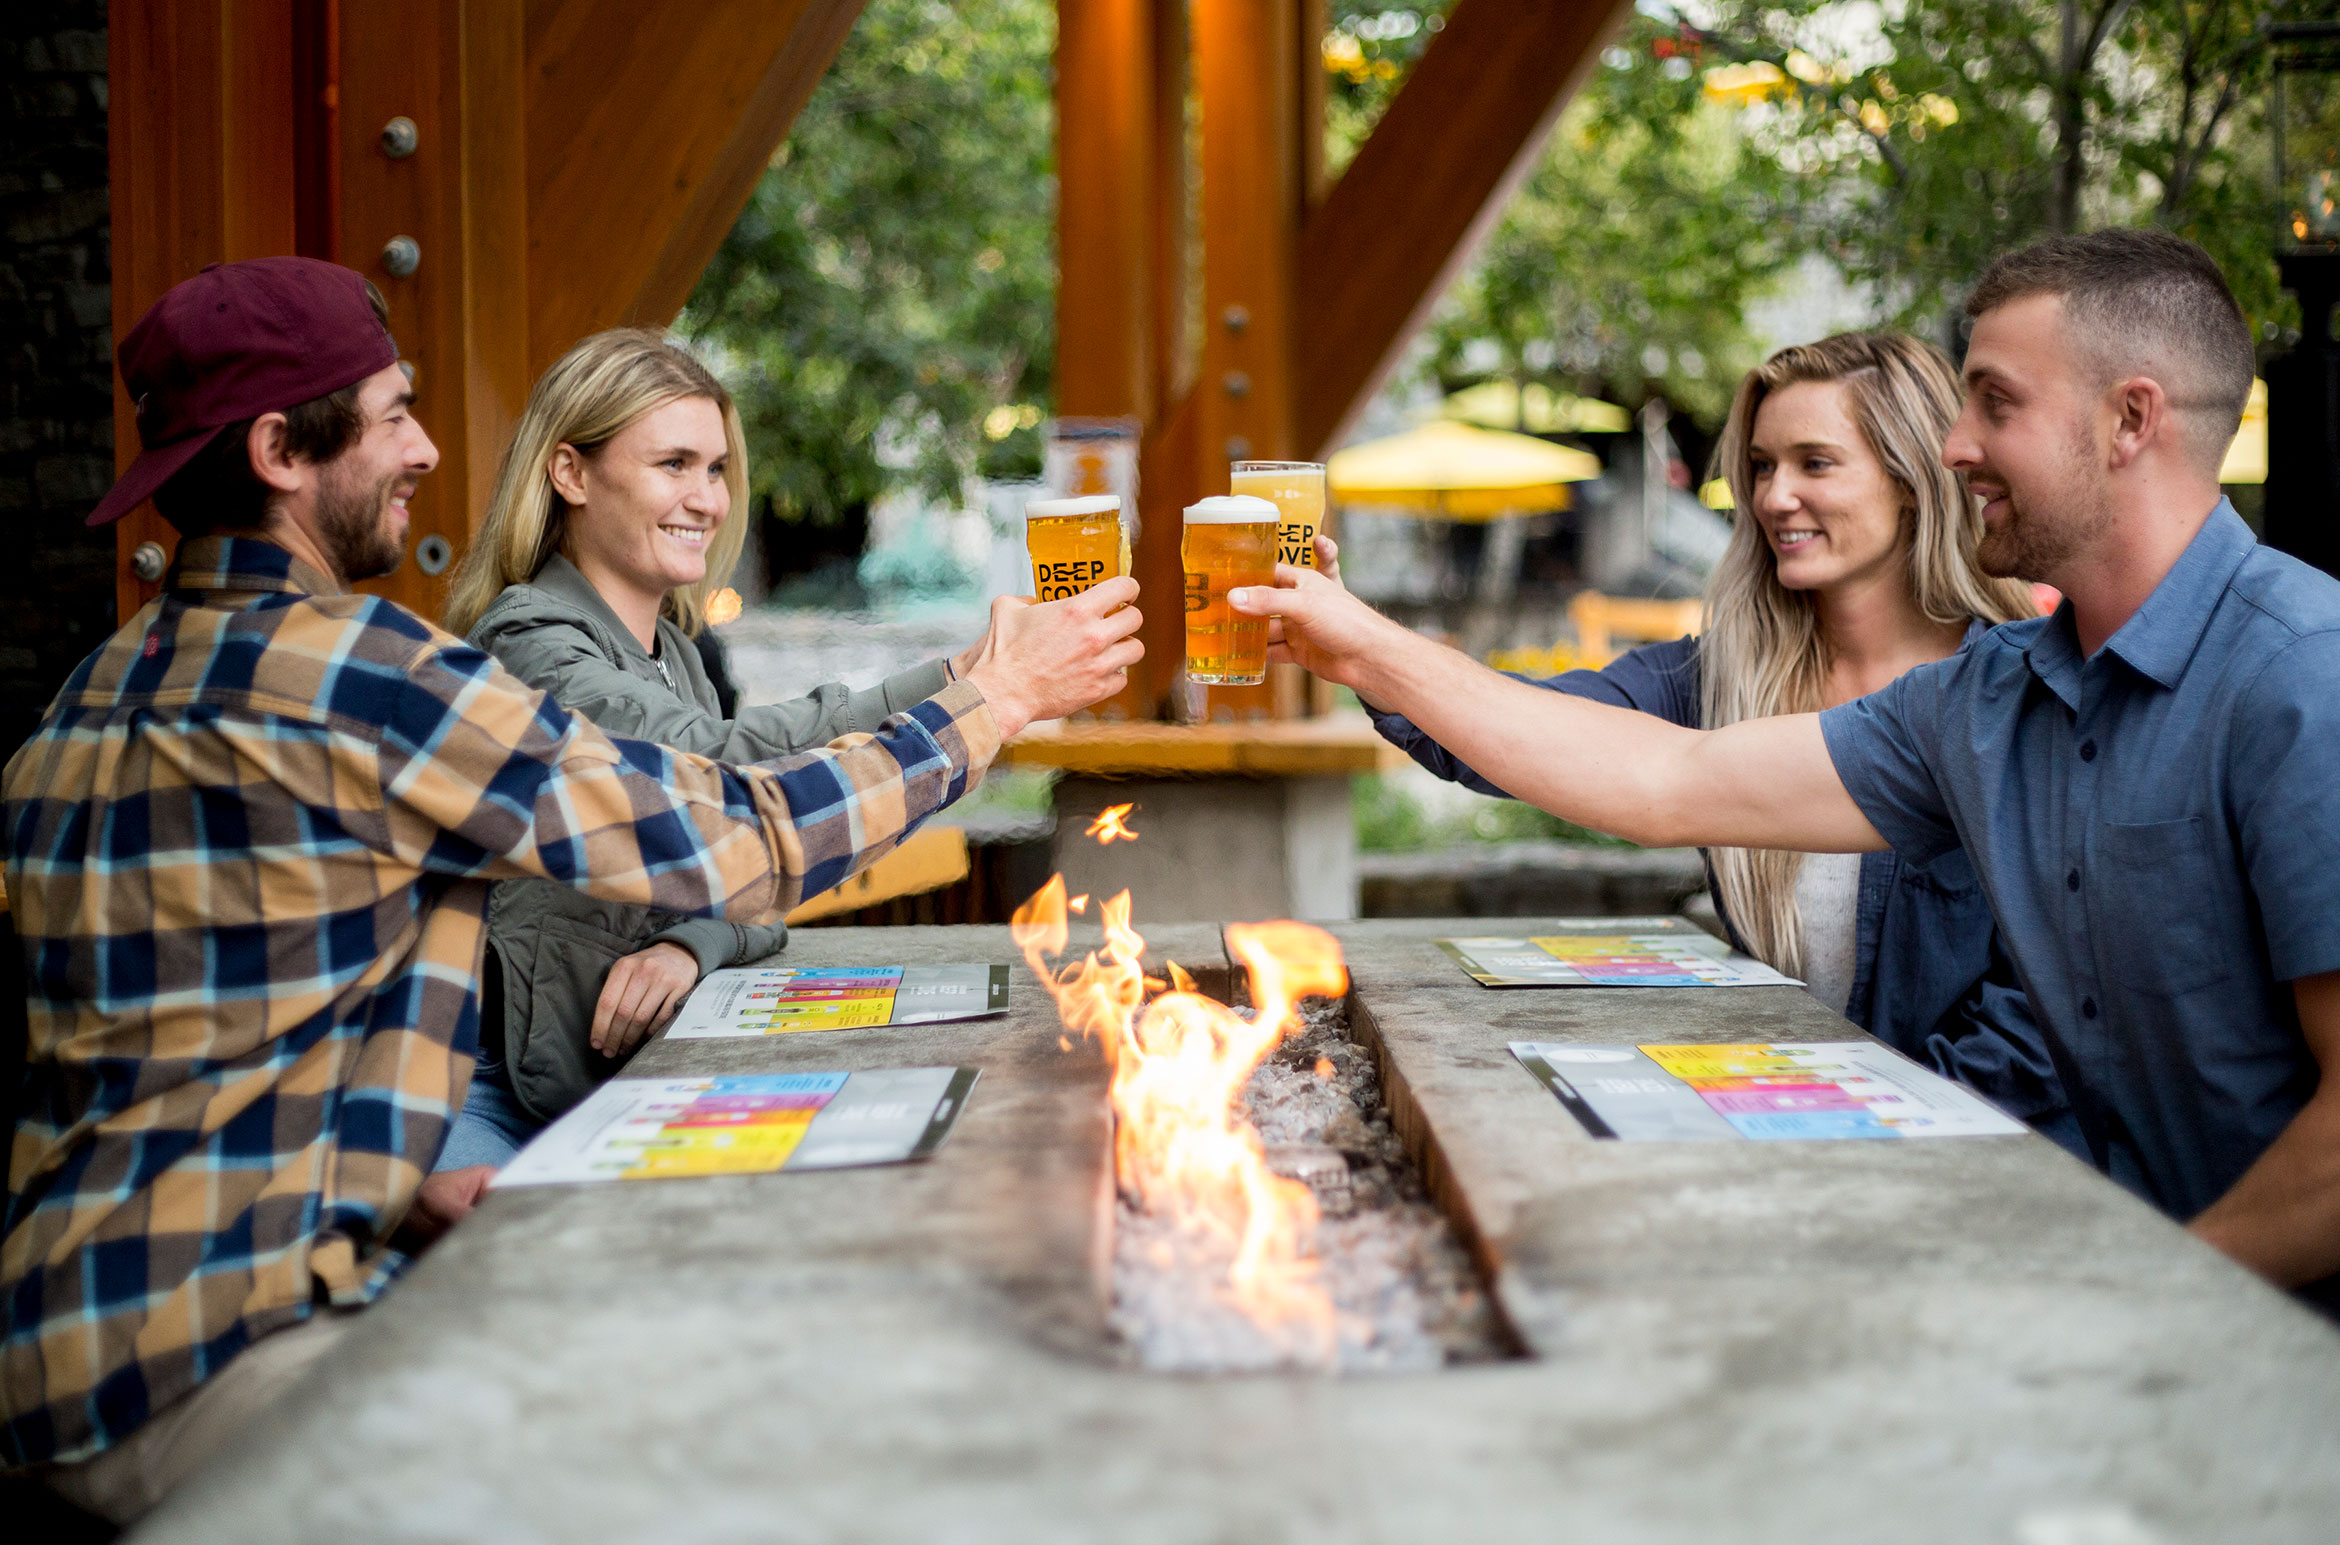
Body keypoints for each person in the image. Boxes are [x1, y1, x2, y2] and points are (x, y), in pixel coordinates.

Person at [0, 258, 1142, 1520]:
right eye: (391, 415)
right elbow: (732, 839)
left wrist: (403, 1170)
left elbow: (211, 1014)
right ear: (280, 449)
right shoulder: (369, 676)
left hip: (67, 1343)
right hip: (226, 1358)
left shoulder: (92, 692)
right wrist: (1000, 702)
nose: (429, 449)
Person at [1238, 229, 2340, 1307]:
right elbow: (1668, 784)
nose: (1957, 446)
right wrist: (1360, 643)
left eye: (1995, 403)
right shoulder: (1989, 696)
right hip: (2037, 1273)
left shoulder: (2303, 677)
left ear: (2129, 420)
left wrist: (2158, 1298)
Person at [1363, 332, 2074, 1148]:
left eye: (1815, 462)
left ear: (1911, 481)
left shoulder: (2016, 693)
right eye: (1763, 467)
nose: (1774, 497)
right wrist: (1352, 639)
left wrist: (1878, 1131)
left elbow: (2040, 1021)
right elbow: (1488, 732)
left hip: (1959, 1158)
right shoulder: (1715, 679)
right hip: (1782, 1129)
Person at [431, 329, 1007, 1167]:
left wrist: (689, 944)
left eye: (716, 469)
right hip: (488, 1098)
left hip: (599, 1090)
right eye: (674, 464)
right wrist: (965, 681)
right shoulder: (531, 645)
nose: (707, 498)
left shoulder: (676, 654)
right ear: (570, 472)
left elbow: (753, 894)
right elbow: (729, 773)